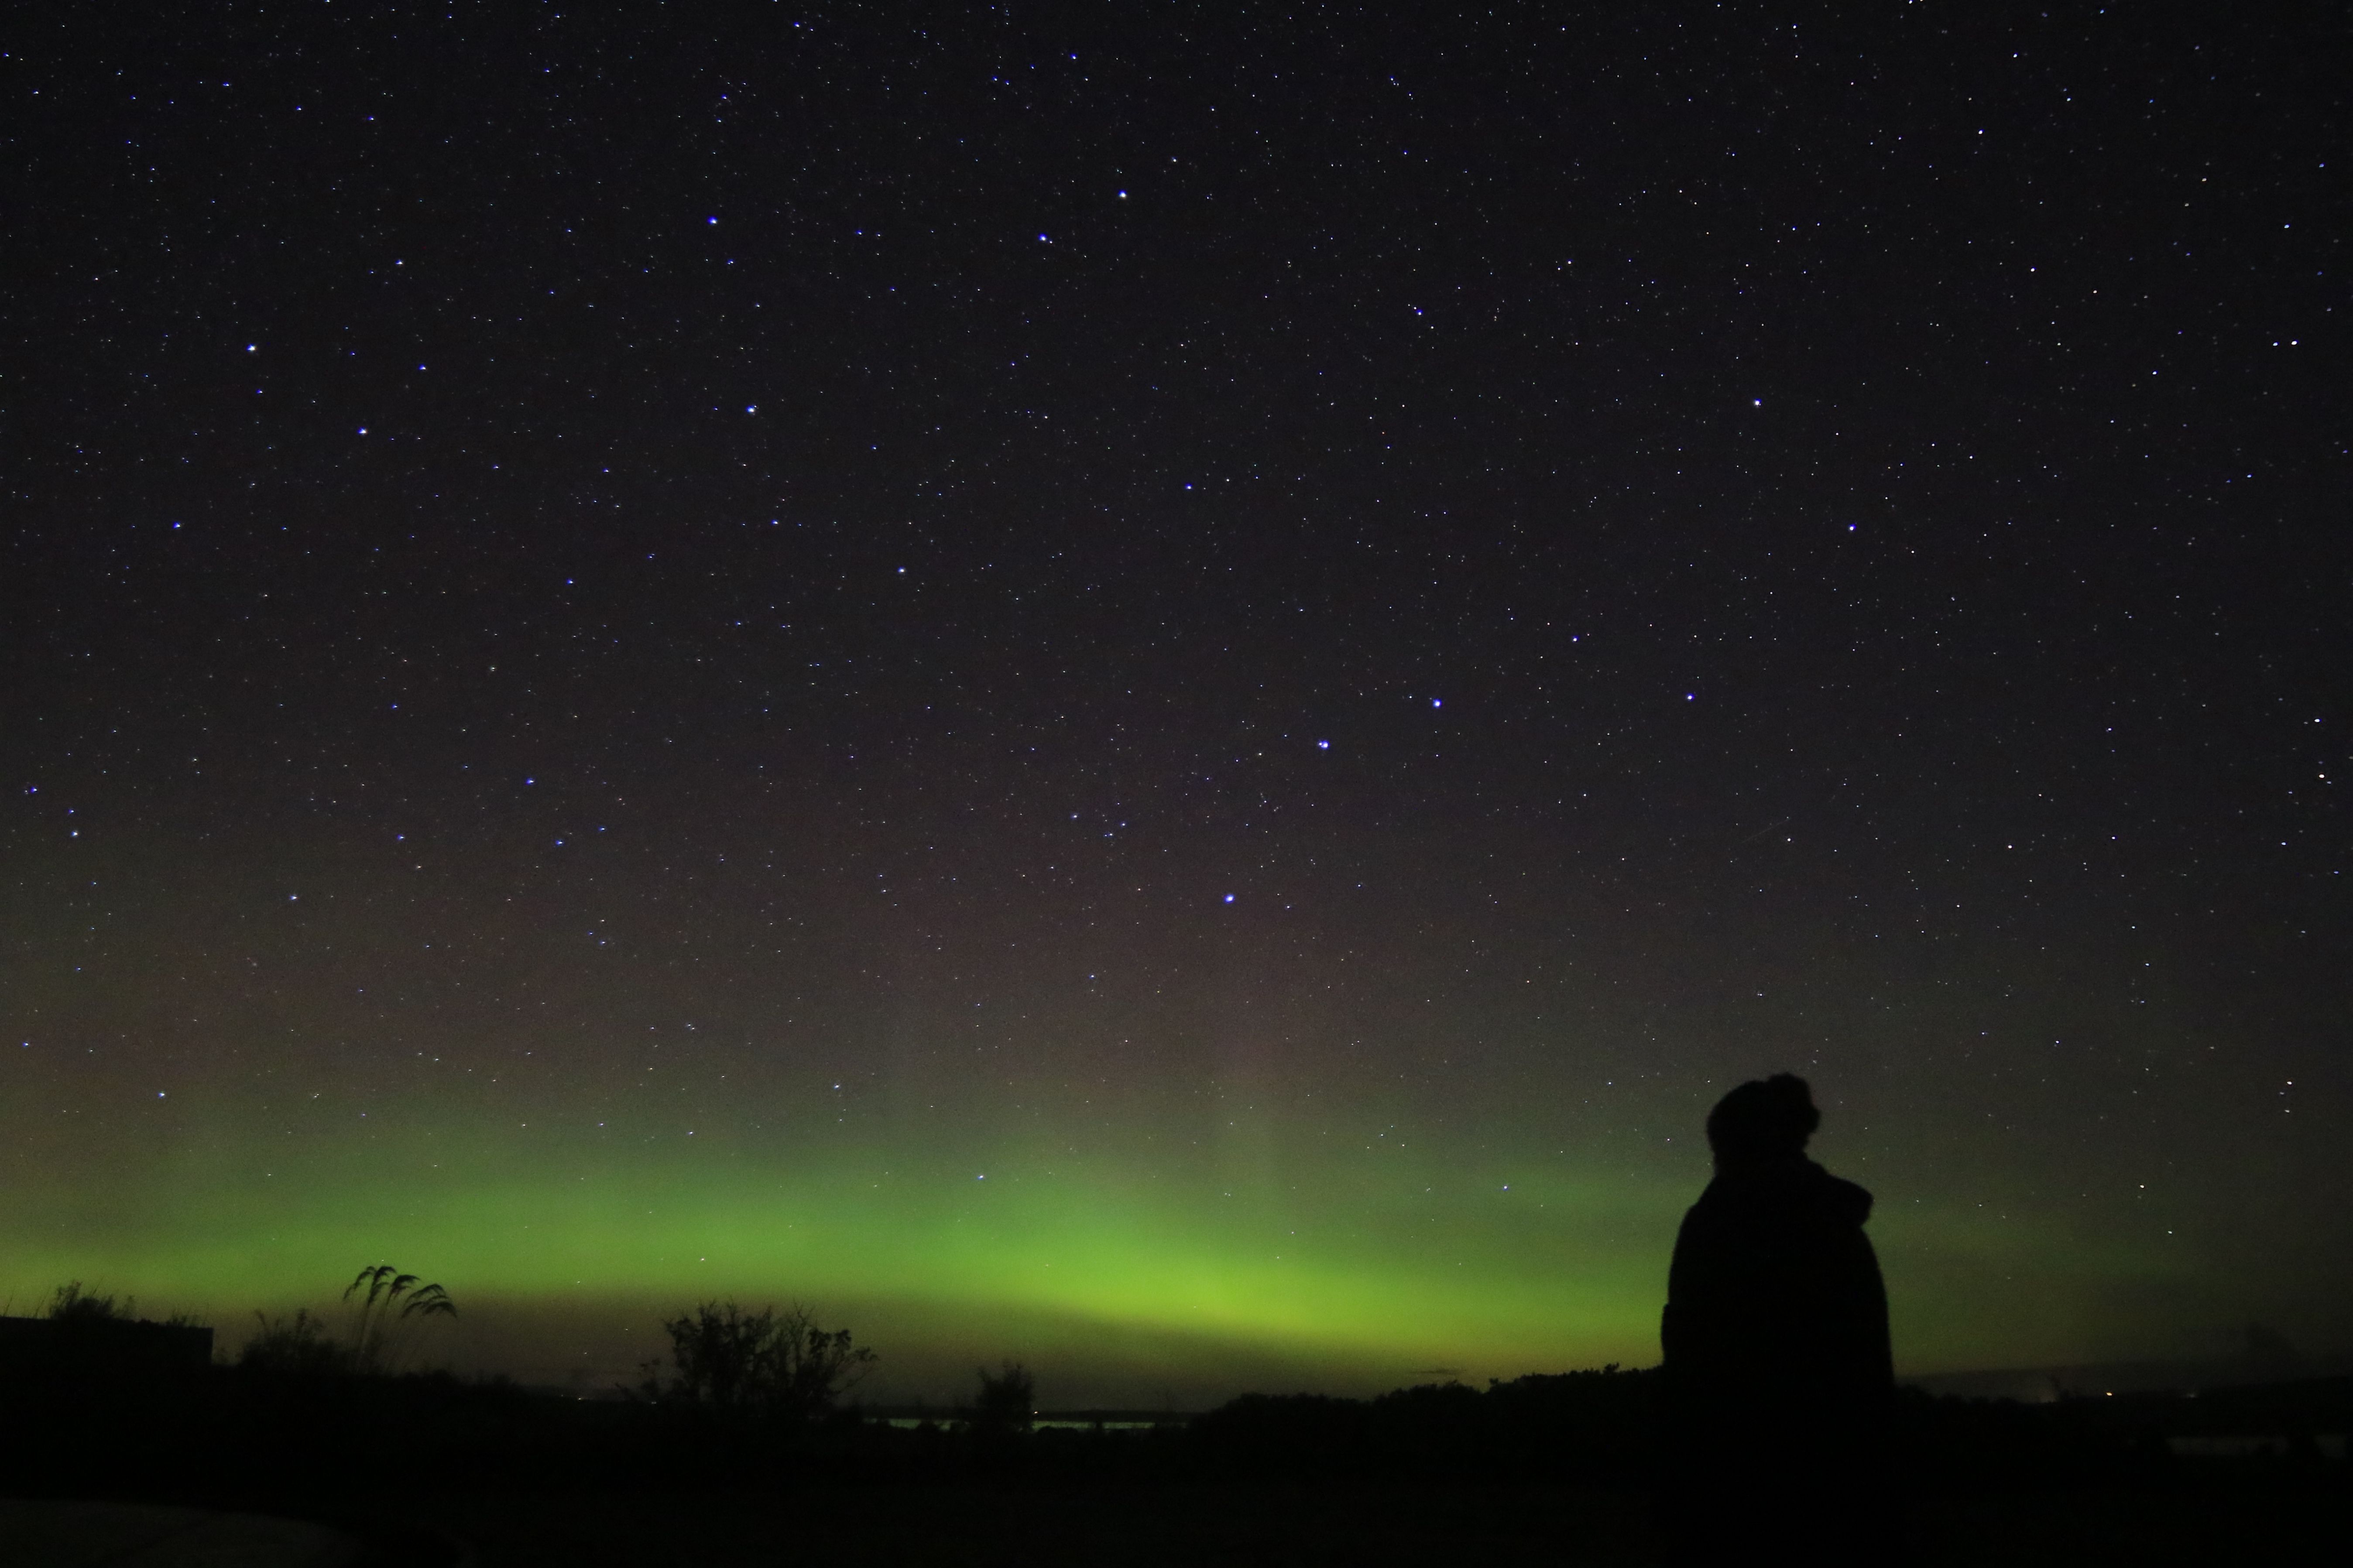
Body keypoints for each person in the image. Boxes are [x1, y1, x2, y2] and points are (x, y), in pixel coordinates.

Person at [1659, 1074, 1893, 1563]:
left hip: (1757, 1462)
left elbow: (1693, 1343)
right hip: (1831, 1460)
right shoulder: (1827, 1217)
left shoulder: (1726, 1221)